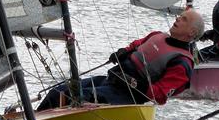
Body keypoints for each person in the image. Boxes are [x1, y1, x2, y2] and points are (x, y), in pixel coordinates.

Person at [36, 9, 206, 110]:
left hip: (127, 97)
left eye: (184, 19)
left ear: (191, 32)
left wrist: (137, 84)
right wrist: (123, 51)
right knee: (57, 92)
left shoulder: (182, 63)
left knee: (77, 98)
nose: (177, 18)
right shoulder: (157, 35)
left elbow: (160, 95)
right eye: (180, 15)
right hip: (111, 81)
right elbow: (137, 44)